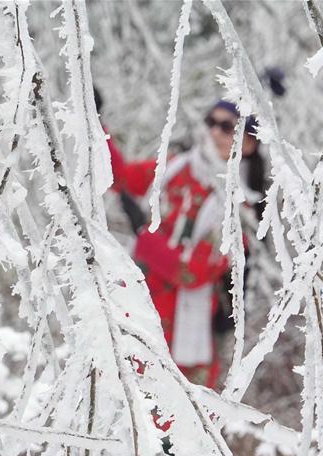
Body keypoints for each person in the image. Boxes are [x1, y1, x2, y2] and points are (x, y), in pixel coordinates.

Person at [106, 100, 265, 389]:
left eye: (227, 127)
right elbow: (121, 178)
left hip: (184, 341)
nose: (214, 132)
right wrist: (95, 121)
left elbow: (192, 271)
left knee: (175, 412)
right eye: (211, 122)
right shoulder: (176, 168)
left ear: (249, 144)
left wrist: (143, 234)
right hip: (137, 312)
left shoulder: (239, 209)